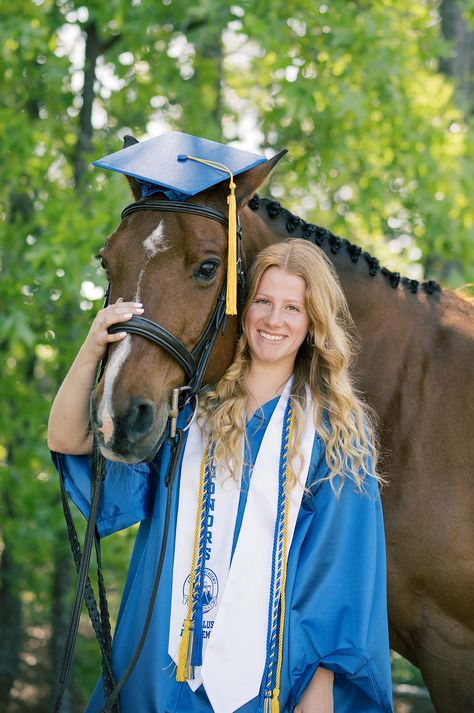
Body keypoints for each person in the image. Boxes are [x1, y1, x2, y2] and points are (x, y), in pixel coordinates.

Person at [48, 238, 393, 713]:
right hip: (154, 674)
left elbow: (341, 586)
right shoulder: (186, 412)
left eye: (293, 307)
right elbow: (69, 439)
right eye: (263, 302)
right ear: (242, 309)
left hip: (266, 685)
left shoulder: (336, 442)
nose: (274, 320)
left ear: (314, 324)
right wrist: (92, 350)